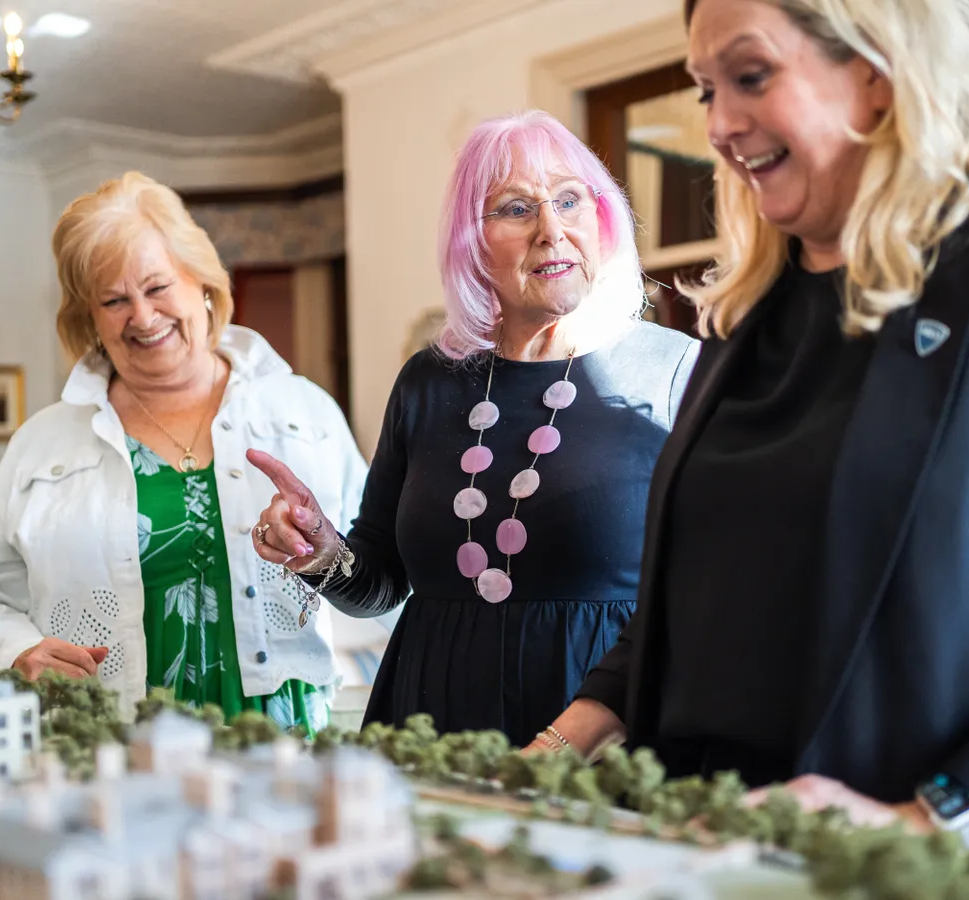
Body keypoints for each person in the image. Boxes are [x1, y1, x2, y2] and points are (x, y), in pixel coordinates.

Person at [542, 0, 969, 882]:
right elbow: (708, 594)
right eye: (706, 89)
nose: (716, 125)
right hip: (719, 855)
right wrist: (569, 734)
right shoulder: (752, 316)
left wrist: (934, 818)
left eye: (750, 77)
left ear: (875, 70)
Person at [249, 111, 701, 748]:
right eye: (516, 208)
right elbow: (379, 585)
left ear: (601, 220)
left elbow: (705, 591)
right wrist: (320, 551)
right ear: (471, 243)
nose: (552, 230)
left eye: (570, 200)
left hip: (600, 734)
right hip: (431, 719)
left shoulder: (676, 372)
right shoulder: (429, 382)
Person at [0, 172, 369, 731]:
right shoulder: (44, 442)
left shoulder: (304, 411)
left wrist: (324, 549)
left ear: (203, 285)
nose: (141, 317)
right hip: (107, 749)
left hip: (281, 741)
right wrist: (16, 651)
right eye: (114, 300)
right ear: (88, 319)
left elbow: (383, 572)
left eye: (158, 287)